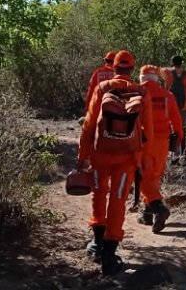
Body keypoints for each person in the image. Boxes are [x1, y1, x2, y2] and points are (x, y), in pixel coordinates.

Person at [77, 50, 153, 276]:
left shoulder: (103, 88)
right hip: (127, 158)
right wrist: (143, 160)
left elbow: (89, 126)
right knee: (118, 200)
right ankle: (109, 255)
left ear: (114, 67)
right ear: (131, 69)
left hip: (101, 155)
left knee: (100, 193)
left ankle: (97, 243)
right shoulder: (141, 91)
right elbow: (147, 131)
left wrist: (82, 157)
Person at [136, 65, 183, 233]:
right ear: (156, 78)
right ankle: (148, 213)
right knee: (154, 176)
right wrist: (179, 141)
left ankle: (158, 207)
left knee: (141, 176)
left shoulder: (136, 93)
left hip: (143, 142)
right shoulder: (167, 95)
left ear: (142, 78)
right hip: (163, 143)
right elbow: (177, 121)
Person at [162, 55, 186, 154]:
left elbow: (165, 87)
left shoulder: (167, 73)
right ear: (181, 63)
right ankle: (183, 150)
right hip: (183, 104)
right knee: (183, 127)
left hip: (171, 104)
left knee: (172, 126)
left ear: (172, 63)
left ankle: (174, 151)